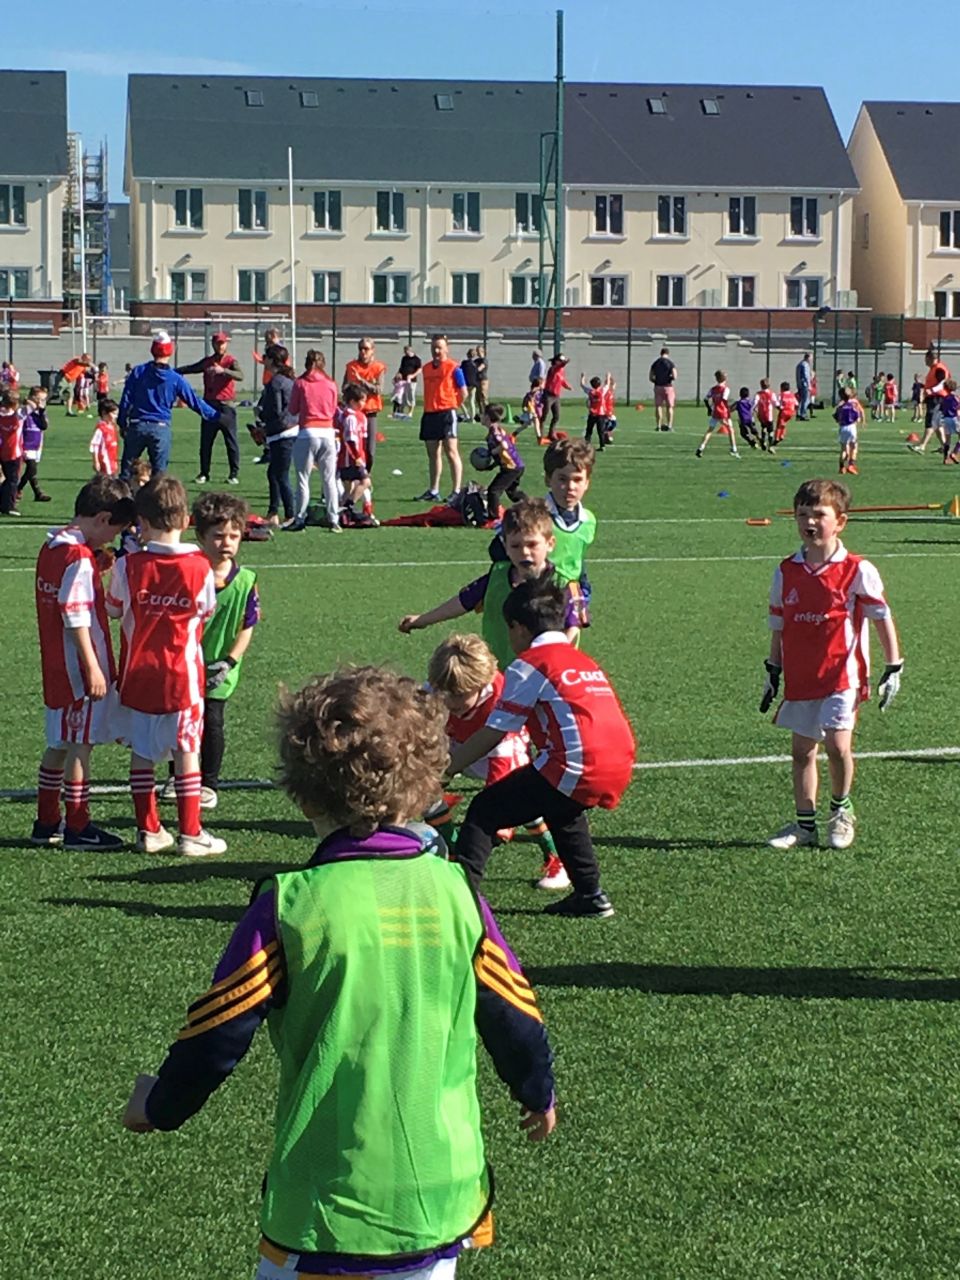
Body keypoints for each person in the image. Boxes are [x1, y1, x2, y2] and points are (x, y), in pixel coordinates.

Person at [122, 666, 556, 1280]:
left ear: (301, 795)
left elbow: (218, 1033)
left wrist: (157, 1105)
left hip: (325, 1208)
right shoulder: (459, 892)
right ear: (427, 780)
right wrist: (538, 1092)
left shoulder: (291, 903)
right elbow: (514, 1013)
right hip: (439, 1200)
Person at [448, 578, 635, 918]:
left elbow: (494, 732)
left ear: (518, 628)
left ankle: (459, 903)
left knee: (485, 810)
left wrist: (446, 769)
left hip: (577, 764)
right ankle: (591, 895)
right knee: (563, 810)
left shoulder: (530, 665)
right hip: (620, 760)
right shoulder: (582, 660)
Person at [761, 478, 903, 851]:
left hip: (843, 675)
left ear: (840, 521)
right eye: (802, 514)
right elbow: (779, 625)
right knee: (802, 751)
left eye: (819, 515)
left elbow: (880, 617)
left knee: (838, 746)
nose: (809, 522)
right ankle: (805, 824)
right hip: (801, 677)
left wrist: (894, 665)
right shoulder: (786, 570)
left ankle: (841, 811)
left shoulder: (857, 569)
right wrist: (772, 670)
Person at [105, 474, 226, 857]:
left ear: (141, 521)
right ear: (186, 520)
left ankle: (149, 830)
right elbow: (205, 612)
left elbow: (113, 609)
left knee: (142, 753)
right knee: (186, 749)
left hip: (138, 674)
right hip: (182, 676)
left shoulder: (129, 565)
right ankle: (191, 833)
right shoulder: (200, 566)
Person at [30, 475, 136, 849]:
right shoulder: (78, 558)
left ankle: (46, 821)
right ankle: (78, 826)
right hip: (78, 669)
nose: (112, 539)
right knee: (80, 745)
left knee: (59, 742)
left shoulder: (54, 545)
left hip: (56, 666)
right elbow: (74, 614)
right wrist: (92, 667)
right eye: (116, 530)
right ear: (104, 517)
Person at [426, 632, 569, 891]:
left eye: (458, 694)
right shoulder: (437, 689)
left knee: (516, 806)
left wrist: (496, 830)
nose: (448, 700)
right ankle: (454, 855)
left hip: (498, 749)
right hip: (456, 744)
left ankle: (556, 857)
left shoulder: (503, 700)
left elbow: (498, 786)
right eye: (442, 691)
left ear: (482, 683)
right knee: (421, 786)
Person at [399, 499, 581, 670]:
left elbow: (574, 627)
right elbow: (462, 602)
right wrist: (422, 620)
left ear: (550, 544)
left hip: (545, 676)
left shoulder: (565, 584)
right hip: (498, 676)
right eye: (516, 546)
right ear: (505, 546)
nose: (525, 553)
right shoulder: (497, 576)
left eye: (532, 544)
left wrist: (549, 659)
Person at [192, 492, 259, 807]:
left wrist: (229, 662)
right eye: (218, 536)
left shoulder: (246, 580)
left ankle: (208, 783)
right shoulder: (189, 573)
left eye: (234, 535)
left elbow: (248, 625)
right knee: (183, 722)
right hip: (187, 664)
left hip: (221, 667)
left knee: (212, 722)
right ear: (200, 537)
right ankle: (178, 776)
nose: (226, 543)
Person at [119, 331, 219, 478]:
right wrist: (216, 415)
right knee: (159, 477)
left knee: (127, 473)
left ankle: (123, 499)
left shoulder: (138, 372)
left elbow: (126, 399)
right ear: (170, 351)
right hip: (160, 427)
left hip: (137, 425)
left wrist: (122, 422)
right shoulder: (175, 378)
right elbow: (194, 401)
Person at [285, 349, 341, 533]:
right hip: (327, 432)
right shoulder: (331, 384)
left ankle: (300, 518)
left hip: (307, 432)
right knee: (329, 479)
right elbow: (333, 409)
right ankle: (334, 519)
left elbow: (293, 410)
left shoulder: (300, 383)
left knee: (303, 478)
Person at [176, 331, 243, 484]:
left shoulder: (230, 361)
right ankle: (204, 473)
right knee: (206, 442)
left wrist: (224, 371)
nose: (220, 346)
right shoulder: (208, 362)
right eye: (218, 343)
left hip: (226, 407)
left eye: (223, 343)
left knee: (231, 442)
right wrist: (173, 372)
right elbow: (192, 368)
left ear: (226, 344)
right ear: (213, 344)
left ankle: (233, 474)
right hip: (209, 406)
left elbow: (240, 375)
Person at [416, 334, 466, 503]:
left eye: (439, 347)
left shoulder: (454, 368)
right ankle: (433, 490)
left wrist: (453, 405)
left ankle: (456, 490)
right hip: (430, 413)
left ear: (446, 348)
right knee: (433, 454)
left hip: (446, 413)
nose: (436, 351)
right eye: (434, 347)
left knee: (451, 452)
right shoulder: (427, 368)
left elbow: (463, 391)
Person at [255, 343, 296, 527]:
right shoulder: (288, 380)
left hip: (282, 433)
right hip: (289, 430)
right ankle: (273, 512)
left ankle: (290, 515)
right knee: (274, 473)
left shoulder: (276, 383)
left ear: (271, 360)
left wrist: (263, 422)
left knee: (281, 475)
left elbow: (277, 411)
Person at [342, 337, 387, 472]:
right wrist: (352, 389)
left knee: (370, 450)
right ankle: (351, 476)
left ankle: (366, 475)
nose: (363, 352)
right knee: (351, 446)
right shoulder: (351, 366)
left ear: (373, 350)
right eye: (361, 348)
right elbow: (344, 387)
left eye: (366, 349)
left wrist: (362, 381)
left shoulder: (379, 367)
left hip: (370, 413)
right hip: (353, 414)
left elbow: (379, 389)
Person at [337, 383, 377, 526]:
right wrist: (357, 456)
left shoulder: (362, 417)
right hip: (350, 459)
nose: (364, 403)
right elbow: (350, 440)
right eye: (362, 400)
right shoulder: (350, 418)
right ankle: (348, 506)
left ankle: (340, 516)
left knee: (349, 488)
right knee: (365, 482)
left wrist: (364, 456)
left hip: (357, 457)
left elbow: (363, 439)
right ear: (353, 401)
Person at [481, 403, 526, 520]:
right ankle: (531, 506)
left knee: (493, 491)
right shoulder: (497, 429)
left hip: (512, 467)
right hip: (517, 465)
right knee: (512, 492)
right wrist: (491, 465)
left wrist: (492, 452)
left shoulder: (494, 432)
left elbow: (504, 445)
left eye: (482, 413)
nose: (480, 416)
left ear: (487, 417)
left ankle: (493, 518)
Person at [909, 346, 951, 455]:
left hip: (937, 398)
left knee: (931, 422)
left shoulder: (939, 368)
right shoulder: (934, 369)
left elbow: (943, 383)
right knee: (937, 424)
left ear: (930, 358)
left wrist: (931, 390)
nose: (925, 361)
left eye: (925, 359)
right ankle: (945, 446)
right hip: (935, 398)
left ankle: (922, 446)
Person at [16, 387, 51, 503]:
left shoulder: (40, 413)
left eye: (44, 400)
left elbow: (44, 426)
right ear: (32, 398)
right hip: (25, 444)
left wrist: (41, 411)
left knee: (32, 471)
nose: (41, 402)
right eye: (39, 399)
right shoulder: (24, 410)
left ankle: (37, 493)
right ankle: (18, 489)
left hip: (36, 445)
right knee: (31, 469)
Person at [696, 370, 740, 458]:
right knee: (730, 429)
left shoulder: (713, 389)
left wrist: (709, 409)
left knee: (710, 430)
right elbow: (724, 400)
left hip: (715, 412)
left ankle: (701, 448)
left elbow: (705, 399)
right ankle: (734, 449)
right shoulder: (725, 389)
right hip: (723, 413)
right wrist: (729, 409)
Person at [0, 388, 22, 515]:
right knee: (12, 480)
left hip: (1, 450)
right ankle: (8, 506)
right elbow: (33, 405)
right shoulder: (18, 416)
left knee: (6, 479)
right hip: (13, 452)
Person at [541, 354, 571, 441]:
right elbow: (560, 365)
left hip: (556, 396)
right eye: (560, 361)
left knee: (556, 416)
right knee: (544, 415)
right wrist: (565, 362)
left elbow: (561, 380)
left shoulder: (561, 370)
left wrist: (566, 386)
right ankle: (540, 434)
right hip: (549, 395)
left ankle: (551, 433)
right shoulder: (553, 369)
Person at [834, 387, 863, 475]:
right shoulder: (853, 406)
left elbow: (837, 418)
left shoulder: (840, 407)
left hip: (843, 428)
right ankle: (851, 465)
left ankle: (842, 467)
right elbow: (857, 418)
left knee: (843, 449)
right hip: (851, 427)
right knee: (854, 446)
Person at [580, 372, 610, 450]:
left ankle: (586, 445)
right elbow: (607, 385)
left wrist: (582, 377)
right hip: (601, 414)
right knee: (601, 431)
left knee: (589, 430)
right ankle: (602, 446)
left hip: (592, 414)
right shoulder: (602, 391)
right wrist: (608, 377)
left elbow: (582, 385)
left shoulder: (590, 391)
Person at [649, 346, 677, 431]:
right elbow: (675, 376)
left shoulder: (655, 363)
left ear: (660, 353)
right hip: (668, 387)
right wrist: (669, 378)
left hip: (658, 386)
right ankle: (669, 425)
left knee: (658, 406)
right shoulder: (670, 363)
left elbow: (650, 377)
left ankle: (658, 425)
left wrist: (656, 380)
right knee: (669, 407)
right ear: (667, 354)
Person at [90, 398, 120, 475]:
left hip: (112, 460)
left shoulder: (112, 427)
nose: (116, 416)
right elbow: (94, 446)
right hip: (104, 460)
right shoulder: (101, 429)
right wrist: (96, 461)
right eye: (113, 413)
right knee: (106, 481)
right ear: (104, 413)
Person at [939, 379, 960, 463]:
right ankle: (955, 453)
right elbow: (958, 409)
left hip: (946, 419)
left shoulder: (944, 398)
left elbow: (941, 409)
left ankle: (945, 458)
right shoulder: (956, 398)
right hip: (954, 418)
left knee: (948, 440)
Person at [397, 344, 422, 414]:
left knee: (411, 395)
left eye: (406, 351)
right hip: (403, 380)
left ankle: (410, 411)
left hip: (412, 381)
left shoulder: (416, 359)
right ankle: (402, 410)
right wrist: (398, 374)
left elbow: (419, 370)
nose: (405, 353)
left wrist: (412, 375)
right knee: (403, 395)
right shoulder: (404, 358)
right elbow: (401, 368)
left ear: (409, 351)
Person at [755, 378, 776, 452]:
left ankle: (763, 441)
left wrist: (754, 409)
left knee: (763, 428)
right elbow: (775, 403)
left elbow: (755, 403)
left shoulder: (758, 394)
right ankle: (770, 445)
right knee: (771, 431)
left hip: (761, 414)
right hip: (769, 414)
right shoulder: (771, 393)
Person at [459, 347, 479, 421]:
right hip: (473, 384)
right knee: (471, 401)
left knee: (460, 401)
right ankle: (472, 418)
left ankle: (466, 414)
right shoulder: (475, 364)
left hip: (466, 383)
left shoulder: (464, 363)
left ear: (467, 355)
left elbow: (460, 370)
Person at [795, 352, 813, 420]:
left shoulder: (800, 364)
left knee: (801, 400)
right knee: (806, 400)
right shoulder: (805, 365)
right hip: (804, 385)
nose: (811, 359)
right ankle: (803, 414)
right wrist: (809, 385)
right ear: (808, 357)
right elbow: (806, 376)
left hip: (800, 384)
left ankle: (799, 413)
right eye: (811, 358)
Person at [474, 345, 490, 419]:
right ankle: (482, 413)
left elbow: (480, 368)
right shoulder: (476, 360)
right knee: (478, 398)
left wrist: (475, 369)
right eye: (477, 351)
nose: (478, 353)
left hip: (483, 380)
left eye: (479, 351)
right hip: (477, 380)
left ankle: (488, 413)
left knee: (483, 397)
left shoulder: (484, 360)